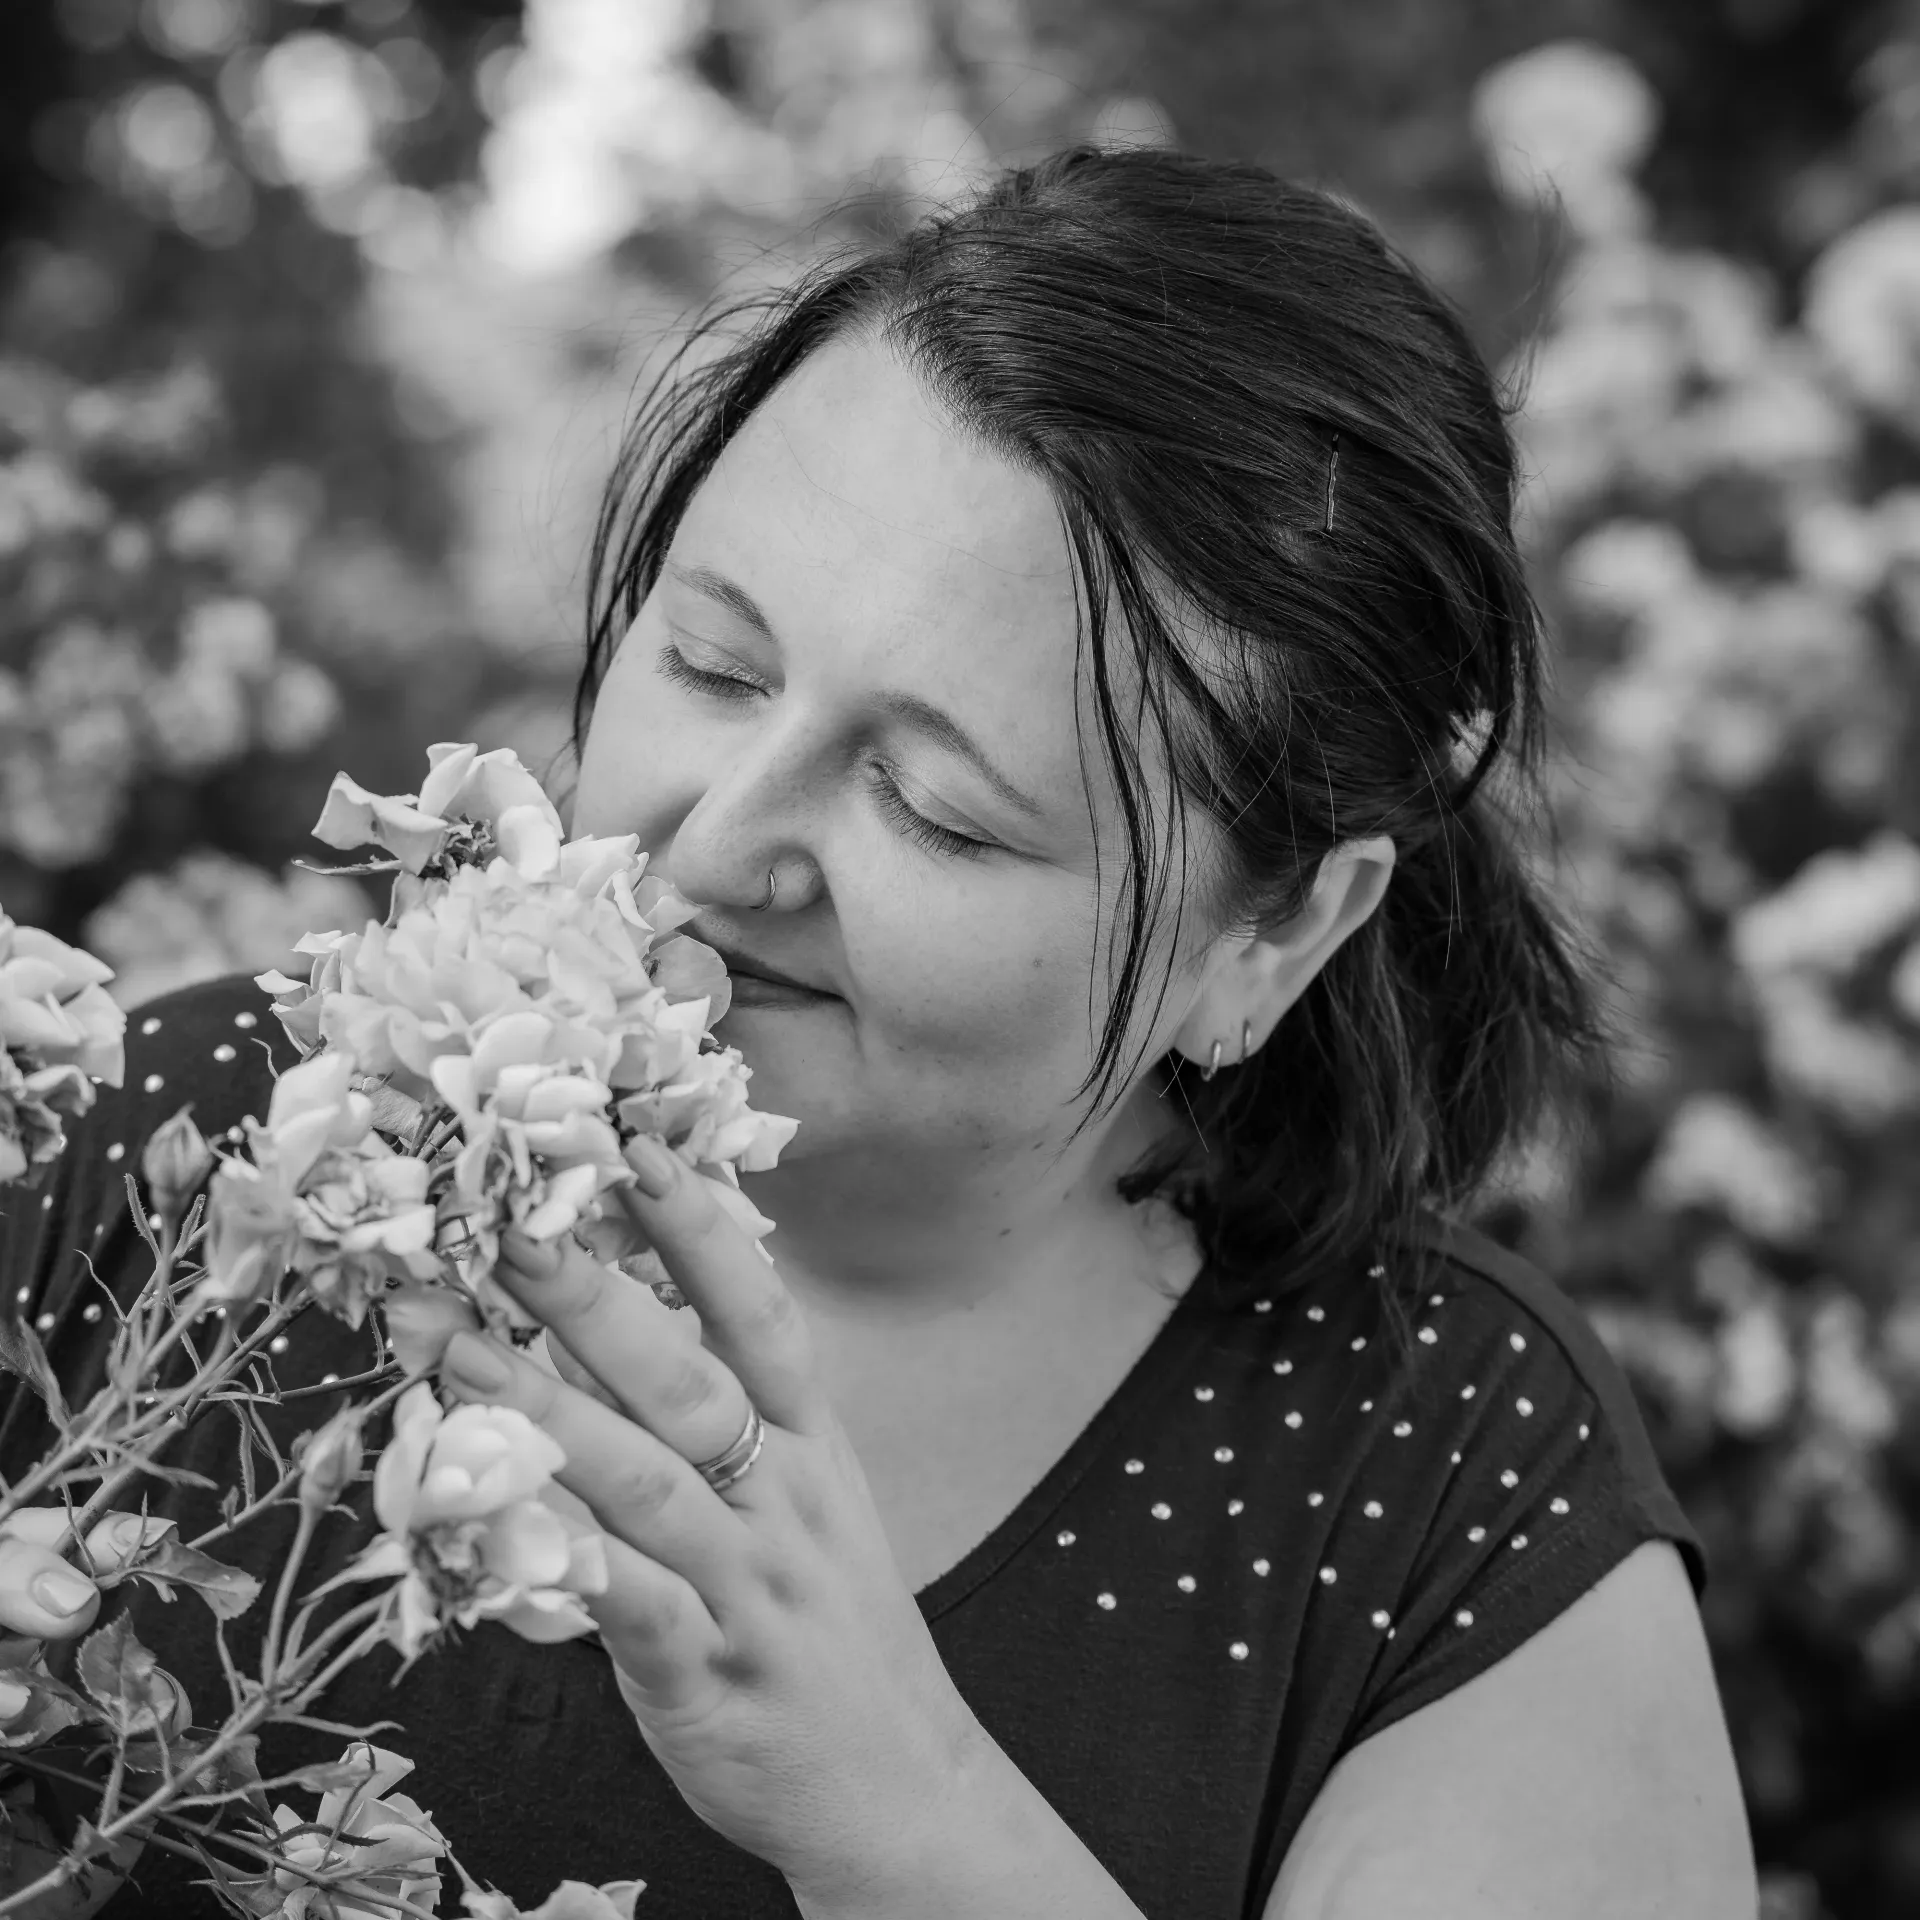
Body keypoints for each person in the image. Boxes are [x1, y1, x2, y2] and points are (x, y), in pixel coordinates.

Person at [0, 145, 1756, 1917]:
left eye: (938, 809)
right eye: (714, 664)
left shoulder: (1446, 1488)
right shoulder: (192, 1147)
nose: (715, 840)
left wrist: (903, 1815)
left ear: (1276, 928)